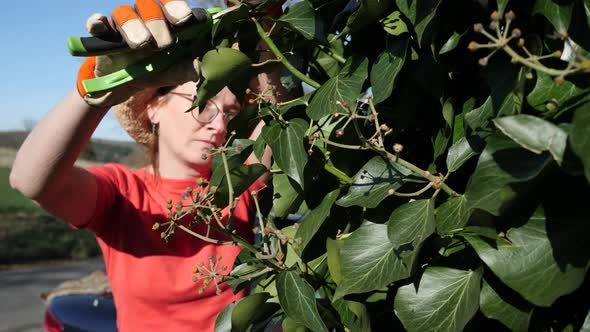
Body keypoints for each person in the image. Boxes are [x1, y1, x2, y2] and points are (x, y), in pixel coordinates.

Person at [9, 0, 287, 331]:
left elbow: (278, 124)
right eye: (202, 104)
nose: (219, 125)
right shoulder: (123, 193)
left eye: (229, 113)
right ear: (154, 107)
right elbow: (30, 180)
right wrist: (97, 92)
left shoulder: (236, 185)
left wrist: (264, 30)